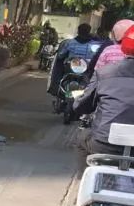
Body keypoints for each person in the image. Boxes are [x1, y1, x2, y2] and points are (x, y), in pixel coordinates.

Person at [73, 25, 134, 156]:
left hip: (103, 144)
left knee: (81, 138)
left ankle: (85, 170)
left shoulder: (104, 72)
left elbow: (82, 105)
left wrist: (78, 101)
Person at [49, 23, 103, 95]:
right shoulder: (93, 44)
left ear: (78, 31)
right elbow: (96, 57)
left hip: (72, 68)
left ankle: (56, 89)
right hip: (84, 70)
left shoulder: (69, 43)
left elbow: (60, 56)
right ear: (89, 32)